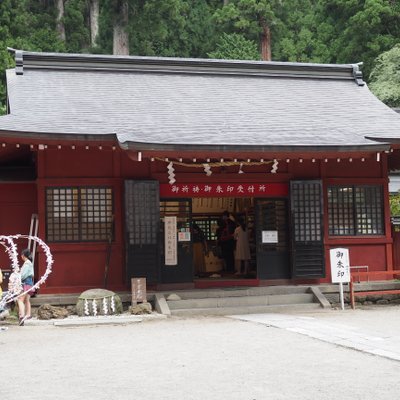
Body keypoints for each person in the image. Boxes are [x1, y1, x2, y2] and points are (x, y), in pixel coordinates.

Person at [17, 248, 34, 326]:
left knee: (20, 299)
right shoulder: (29, 263)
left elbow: (23, 275)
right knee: (27, 300)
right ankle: (28, 314)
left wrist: (17, 278)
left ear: (23, 255)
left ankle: (22, 316)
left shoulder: (27, 263)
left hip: (25, 283)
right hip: (29, 283)